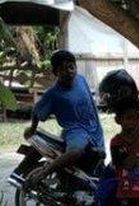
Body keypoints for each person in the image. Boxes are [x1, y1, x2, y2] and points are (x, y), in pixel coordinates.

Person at [25, 50, 105, 188]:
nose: (68, 72)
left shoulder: (81, 80)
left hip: (95, 130)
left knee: (99, 166)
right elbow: (37, 110)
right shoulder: (53, 94)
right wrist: (32, 128)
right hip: (75, 131)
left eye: (71, 67)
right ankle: (43, 174)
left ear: (75, 67)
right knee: (75, 152)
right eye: (62, 69)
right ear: (55, 72)